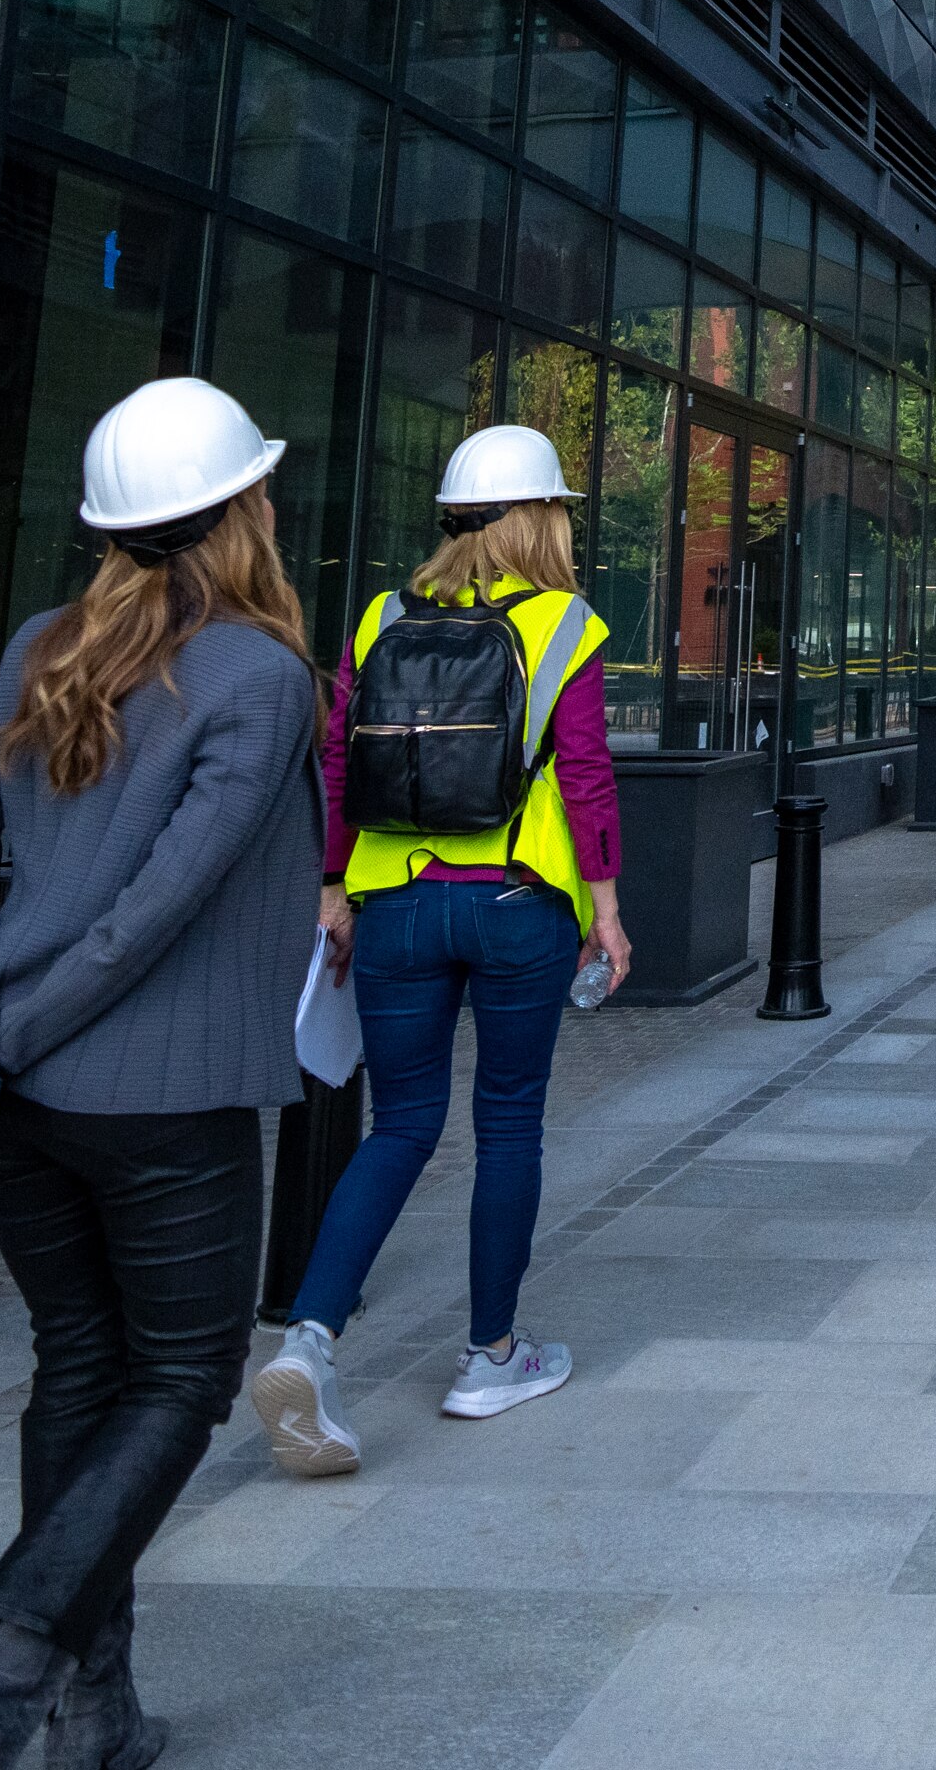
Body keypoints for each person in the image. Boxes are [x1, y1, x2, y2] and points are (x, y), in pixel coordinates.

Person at [0, 379, 316, 1770]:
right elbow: (150, 919)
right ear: (246, 509)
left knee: (77, 1367)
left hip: (27, 1106)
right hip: (162, 1099)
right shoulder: (262, 677)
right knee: (180, 1384)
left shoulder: (47, 648)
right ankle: (5, 1689)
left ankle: (96, 1714)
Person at [246, 424, 632, 1477]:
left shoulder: (379, 617)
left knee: (398, 1125)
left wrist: (334, 885)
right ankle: (490, 1357)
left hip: (396, 904)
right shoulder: (566, 626)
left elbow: (340, 757)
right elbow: (587, 777)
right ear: (540, 517)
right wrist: (605, 906)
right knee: (508, 1124)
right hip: (518, 904)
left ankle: (310, 1342)